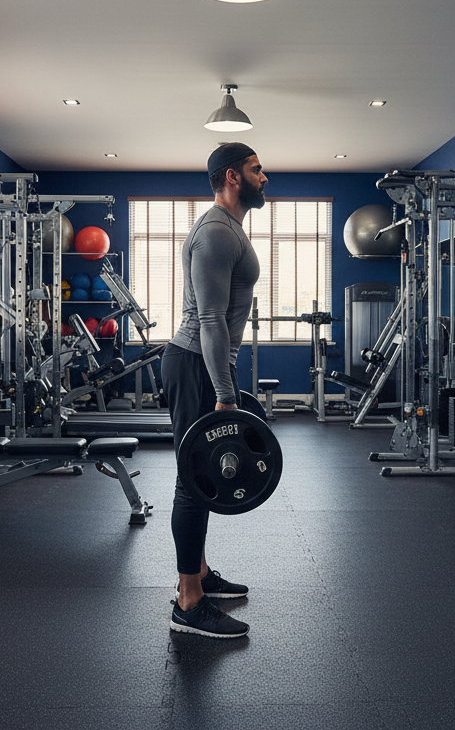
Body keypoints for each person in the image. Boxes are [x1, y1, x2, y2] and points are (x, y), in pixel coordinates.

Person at [164, 141, 268, 639]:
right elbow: (208, 318)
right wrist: (225, 393)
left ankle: (200, 575)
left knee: (202, 475)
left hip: (204, 365)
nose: (264, 177)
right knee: (194, 478)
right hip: (193, 364)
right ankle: (188, 602)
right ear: (232, 177)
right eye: (256, 169)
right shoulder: (215, 233)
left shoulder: (231, 228)